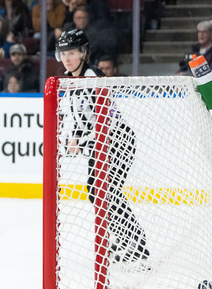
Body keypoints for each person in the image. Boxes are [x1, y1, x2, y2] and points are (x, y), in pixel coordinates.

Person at [56, 29, 148, 264]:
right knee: (97, 191)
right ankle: (128, 238)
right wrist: (75, 136)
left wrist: (79, 139)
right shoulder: (74, 79)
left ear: (83, 53)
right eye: (63, 53)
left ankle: (135, 244)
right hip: (102, 143)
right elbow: (81, 117)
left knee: (106, 191)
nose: (67, 58)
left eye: (72, 52)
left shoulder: (91, 76)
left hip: (116, 140)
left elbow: (101, 118)